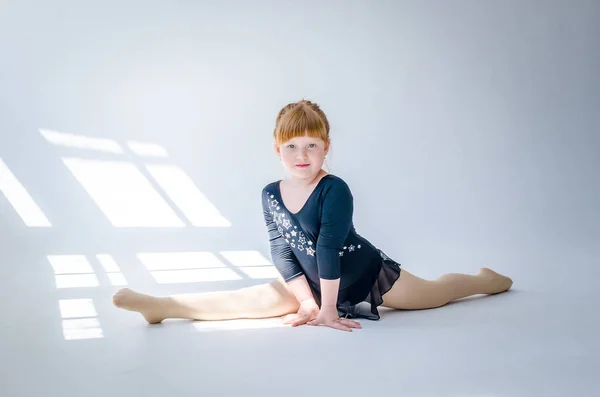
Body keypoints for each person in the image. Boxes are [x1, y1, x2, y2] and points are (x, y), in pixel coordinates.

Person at [113, 99, 513, 332]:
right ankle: (160, 306)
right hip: (308, 282)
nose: (301, 156)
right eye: (291, 147)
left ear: (326, 148)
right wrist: (306, 301)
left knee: (435, 295)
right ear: (277, 149)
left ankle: (482, 280)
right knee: (241, 301)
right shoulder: (271, 194)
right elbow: (282, 250)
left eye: (311, 145)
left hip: (363, 275)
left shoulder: (333, 189)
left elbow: (328, 248)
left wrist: (327, 312)